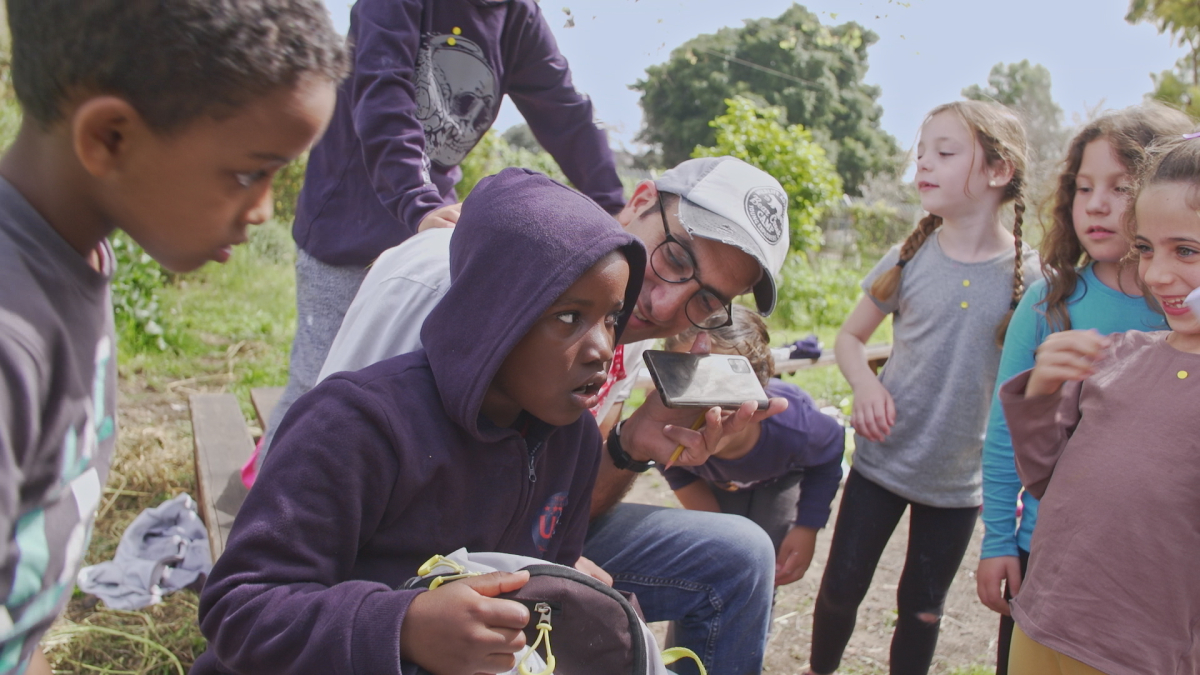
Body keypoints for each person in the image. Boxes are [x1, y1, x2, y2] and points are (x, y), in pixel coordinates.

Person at [315, 155, 791, 675]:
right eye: (675, 258)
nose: (661, 304)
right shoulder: (443, 279)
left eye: (706, 299)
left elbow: (564, 507)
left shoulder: (617, 335)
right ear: (640, 202)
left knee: (742, 555)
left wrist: (630, 446)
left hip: (514, 541)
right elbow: (330, 484)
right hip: (390, 564)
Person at [0, 1, 346, 673]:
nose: (265, 211)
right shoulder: (13, 339)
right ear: (110, 138)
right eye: (251, 171)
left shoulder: (75, 256)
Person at [193, 168, 646, 674]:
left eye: (611, 318)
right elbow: (239, 610)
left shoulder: (574, 441)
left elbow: (537, 593)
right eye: (568, 317)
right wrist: (403, 628)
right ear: (494, 312)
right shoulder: (357, 425)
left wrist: (579, 609)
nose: (603, 349)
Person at [259, 0, 627, 456]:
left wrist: (616, 207)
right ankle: (273, 502)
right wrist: (418, 203)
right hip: (349, 229)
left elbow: (565, 111)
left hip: (431, 238)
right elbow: (383, 94)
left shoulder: (515, 15)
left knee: (414, 394)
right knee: (320, 385)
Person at [806, 100, 1040, 675]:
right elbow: (850, 341)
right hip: (880, 464)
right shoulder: (908, 257)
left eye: (944, 152)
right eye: (921, 154)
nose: (923, 166)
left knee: (923, 613)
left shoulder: (1033, 280)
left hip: (958, 485)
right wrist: (864, 385)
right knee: (840, 590)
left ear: (997, 169)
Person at [975, 104, 1191, 675]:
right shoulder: (1058, 307)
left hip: (1152, 611)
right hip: (1049, 568)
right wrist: (998, 538)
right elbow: (1017, 442)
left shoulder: (1171, 323)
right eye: (1083, 186)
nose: (1096, 204)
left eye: (1118, 187)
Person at [660, 305, 844, 587]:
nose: (709, 403)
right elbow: (676, 471)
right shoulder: (666, 430)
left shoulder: (793, 427)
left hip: (782, 473)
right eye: (687, 378)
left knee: (765, 567)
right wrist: (718, 536)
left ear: (760, 383)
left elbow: (829, 451)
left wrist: (807, 526)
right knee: (712, 565)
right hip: (717, 481)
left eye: (725, 382)